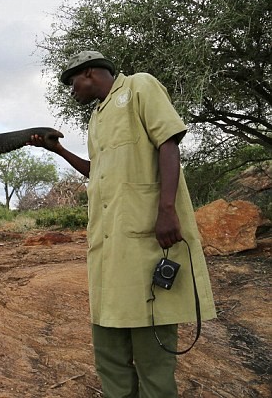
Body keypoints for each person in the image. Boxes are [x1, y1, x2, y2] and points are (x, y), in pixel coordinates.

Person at [29, 51, 216, 397]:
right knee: (109, 354)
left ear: (87, 73)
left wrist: (167, 209)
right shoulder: (96, 118)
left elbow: (169, 142)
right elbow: (95, 170)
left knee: (153, 359)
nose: (72, 92)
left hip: (145, 243)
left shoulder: (140, 87)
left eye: (72, 84)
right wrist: (58, 152)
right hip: (108, 250)